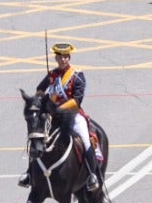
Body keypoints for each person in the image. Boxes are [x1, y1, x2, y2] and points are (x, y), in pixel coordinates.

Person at [25, 42, 103, 193]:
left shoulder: (77, 75)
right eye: (60, 57)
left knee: (86, 140)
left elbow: (77, 100)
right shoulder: (52, 75)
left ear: (69, 57)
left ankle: (91, 175)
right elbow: (39, 90)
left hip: (72, 115)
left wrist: (58, 108)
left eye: (66, 57)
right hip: (53, 117)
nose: (63, 60)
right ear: (56, 58)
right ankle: (29, 174)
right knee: (36, 137)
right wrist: (44, 101)